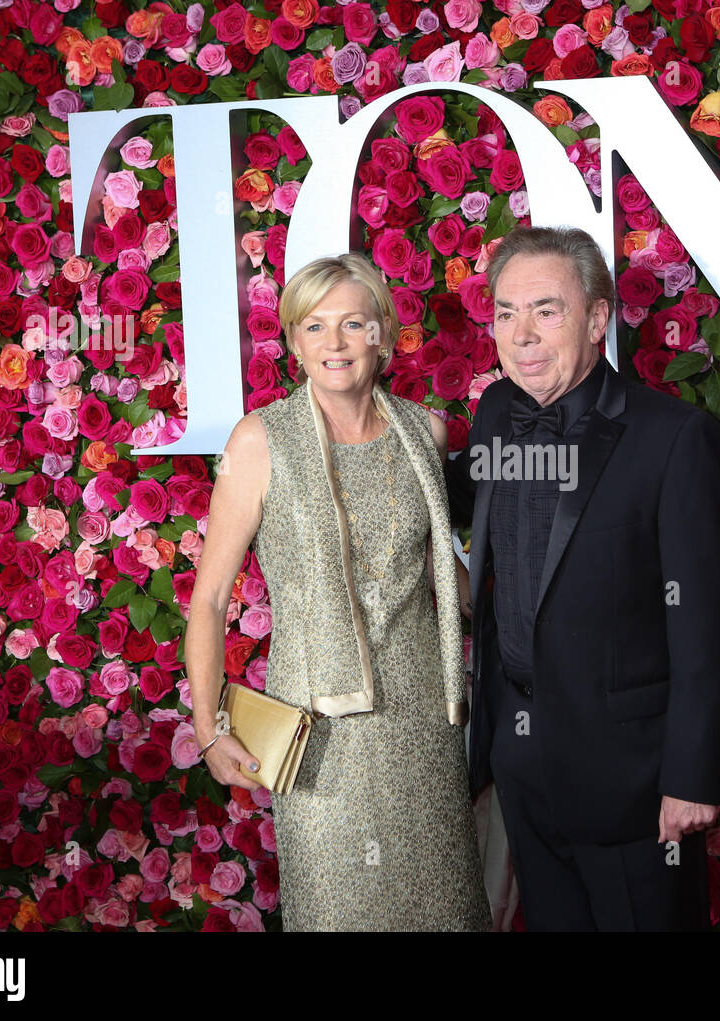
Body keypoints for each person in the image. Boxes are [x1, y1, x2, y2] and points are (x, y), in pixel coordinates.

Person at [445, 225, 720, 930]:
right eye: (505, 312)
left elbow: (708, 624)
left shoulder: (672, 438)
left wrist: (693, 776)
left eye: (546, 309)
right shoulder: (496, 416)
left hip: (636, 780)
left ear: (598, 319)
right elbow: (448, 500)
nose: (522, 333)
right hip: (520, 763)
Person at [188, 253, 490, 931]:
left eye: (353, 323)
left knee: (446, 912)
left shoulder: (426, 432)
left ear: (383, 332)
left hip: (425, 727)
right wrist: (210, 731)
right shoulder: (260, 440)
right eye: (315, 326)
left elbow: (442, 573)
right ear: (293, 341)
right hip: (319, 735)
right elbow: (207, 600)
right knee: (338, 912)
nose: (335, 343)